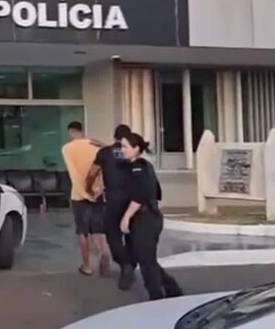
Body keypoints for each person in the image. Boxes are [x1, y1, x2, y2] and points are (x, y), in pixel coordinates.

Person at [120, 132, 183, 300]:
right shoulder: (145, 166)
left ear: (136, 148)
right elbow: (157, 192)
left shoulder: (138, 167)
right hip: (150, 217)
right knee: (146, 258)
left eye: (125, 147)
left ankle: (156, 297)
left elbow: (140, 195)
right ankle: (172, 288)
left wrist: (126, 217)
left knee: (146, 262)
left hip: (145, 219)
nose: (122, 150)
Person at [86, 124, 137, 290]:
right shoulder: (133, 152)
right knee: (132, 234)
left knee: (113, 236)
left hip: (113, 200)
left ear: (114, 136)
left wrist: (89, 188)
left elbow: (91, 174)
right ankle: (130, 265)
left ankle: (125, 265)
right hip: (133, 200)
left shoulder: (104, 153)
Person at [61, 121, 109, 277]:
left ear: (71, 132)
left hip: (79, 194)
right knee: (98, 229)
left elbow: (73, 171)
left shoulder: (67, 148)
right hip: (97, 193)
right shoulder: (96, 147)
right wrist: (100, 143)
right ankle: (102, 253)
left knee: (82, 231)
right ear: (82, 130)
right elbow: (111, 153)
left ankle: (87, 266)